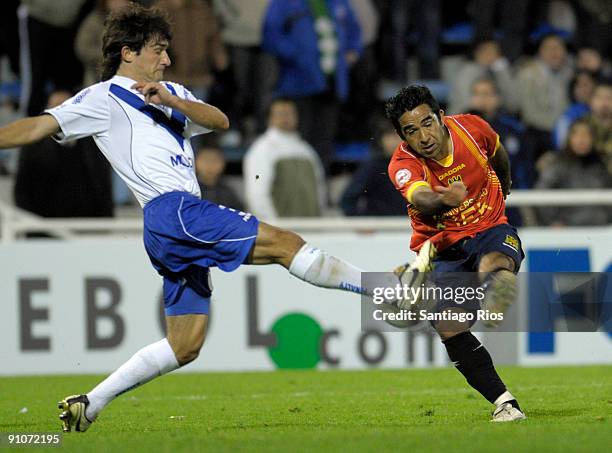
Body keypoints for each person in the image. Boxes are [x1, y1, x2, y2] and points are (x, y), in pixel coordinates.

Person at [0, 4, 411, 432]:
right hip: (173, 210)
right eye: (159, 50)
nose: (167, 59)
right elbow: (35, 127)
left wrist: (173, 99)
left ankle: (91, 403)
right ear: (128, 52)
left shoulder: (171, 93)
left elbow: (219, 120)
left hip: (171, 223)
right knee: (284, 244)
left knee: (185, 344)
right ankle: (386, 289)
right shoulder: (102, 97)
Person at [384, 85, 526, 422]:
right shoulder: (403, 163)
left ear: (441, 117)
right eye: (411, 130)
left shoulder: (472, 128)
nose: (423, 136)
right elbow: (420, 198)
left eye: (427, 122)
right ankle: (506, 403)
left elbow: (498, 152)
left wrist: (504, 185)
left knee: (494, 261)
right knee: (448, 325)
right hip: (443, 249)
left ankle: (496, 289)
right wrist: (442, 199)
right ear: (403, 137)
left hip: (490, 227)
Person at [263, 0, 362, 172]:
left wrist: (352, 51)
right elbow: (271, 35)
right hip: (299, 85)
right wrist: (297, 56)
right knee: (299, 141)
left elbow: (354, 29)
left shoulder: (339, 2)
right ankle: (297, 189)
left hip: (332, 84)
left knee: (324, 143)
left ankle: (319, 190)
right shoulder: (283, 3)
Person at [14, 90, 113, 219]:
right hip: (44, 230)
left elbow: (104, 186)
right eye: (54, 109)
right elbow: (22, 190)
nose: (59, 115)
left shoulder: (96, 145)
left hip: (88, 228)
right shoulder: (33, 147)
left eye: (63, 107)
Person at [243, 98, 326, 218]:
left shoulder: (306, 150)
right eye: (281, 114)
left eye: (290, 113)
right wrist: (275, 228)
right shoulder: (262, 150)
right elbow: (257, 194)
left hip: (311, 228)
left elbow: (320, 191)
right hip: (281, 230)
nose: (286, 118)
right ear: (270, 118)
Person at [536, 119, 611, 226]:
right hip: (567, 232)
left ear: (593, 139)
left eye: (586, 135)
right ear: (569, 138)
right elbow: (541, 194)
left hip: (600, 230)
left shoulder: (601, 166)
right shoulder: (557, 164)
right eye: (577, 134)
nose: (581, 140)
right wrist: (553, 222)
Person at [340, 119, 406, 216]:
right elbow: (348, 199)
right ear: (381, 139)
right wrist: (363, 222)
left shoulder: (418, 164)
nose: (394, 141)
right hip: (379, 227)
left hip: (409, 226)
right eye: (389, 135)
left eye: (399, 136)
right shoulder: (373, 166)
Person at [194, 140, 244, 211]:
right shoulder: (189, 190)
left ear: (223, 163)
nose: (210, 165)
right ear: (196, 161)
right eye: (206, 160)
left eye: (214, 160)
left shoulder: (229, 193)